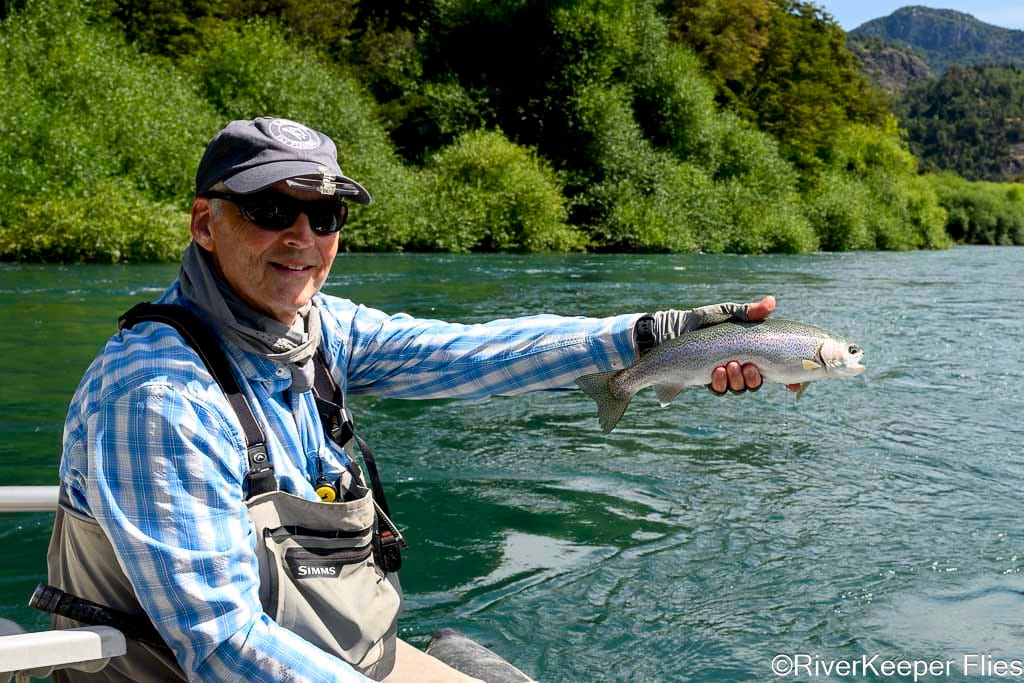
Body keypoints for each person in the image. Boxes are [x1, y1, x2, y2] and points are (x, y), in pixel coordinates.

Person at [47, 117, 785, 682]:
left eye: (325, 216)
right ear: (205, 223)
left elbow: (475, 353)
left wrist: (651, 337)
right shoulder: (158, 396)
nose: (303, 236)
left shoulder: (318, 329)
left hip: (343, 657)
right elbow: (222, 645)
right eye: (271, 209)